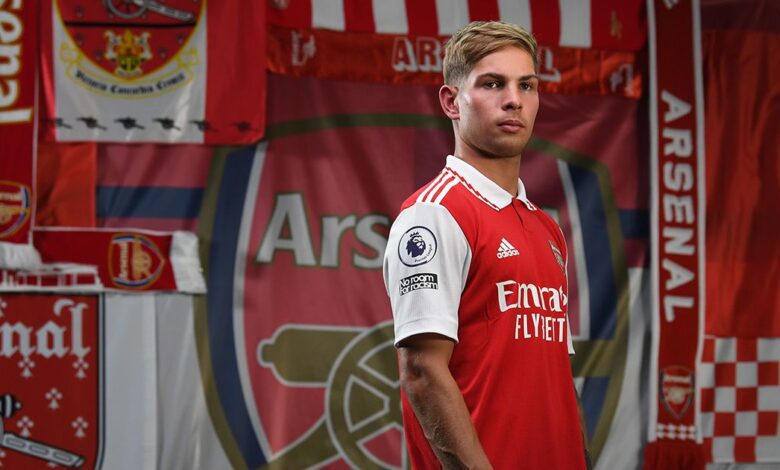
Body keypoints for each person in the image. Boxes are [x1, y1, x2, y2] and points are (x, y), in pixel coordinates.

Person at [383, 21, 590, 469]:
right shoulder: (434, 214)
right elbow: (421, 373)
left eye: (527, 85)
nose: (514, 99)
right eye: (493, 83)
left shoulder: (545, 228)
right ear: (452, 101)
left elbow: (556, 376)